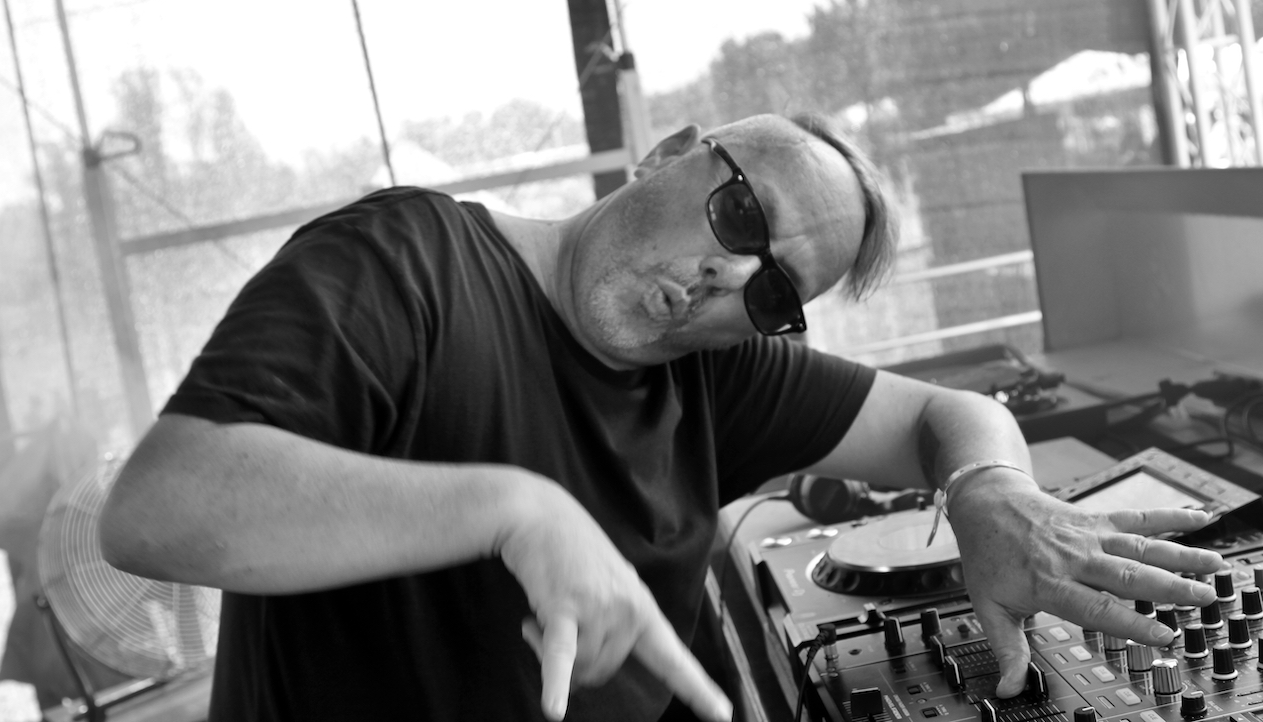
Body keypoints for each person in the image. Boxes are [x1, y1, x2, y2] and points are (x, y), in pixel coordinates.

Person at [99, 113, 1226, 722]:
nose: (727, 278)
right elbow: (155, 509)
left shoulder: (714, 366)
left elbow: (949, 413)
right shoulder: (406, 263)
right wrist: (511, 510)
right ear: (673, 151)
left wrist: (990, 493)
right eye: (738, 215)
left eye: (774, 292)